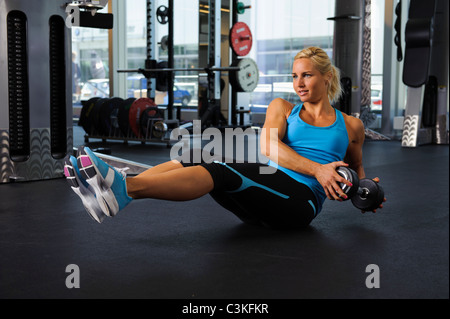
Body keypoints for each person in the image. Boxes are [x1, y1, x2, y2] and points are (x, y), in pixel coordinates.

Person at [64, 46, 385, 229]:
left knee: (219, 169)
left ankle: (125, 190)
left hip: (300, 204)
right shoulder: (283, 108)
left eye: (307, 75)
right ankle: (112, 187)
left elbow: (356, 169)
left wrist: (365, 192)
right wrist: (318, 168)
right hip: (268, 186)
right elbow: (268, 148)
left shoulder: (351, 126)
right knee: (197, 154)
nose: (299, 83)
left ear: (326, 77)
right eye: (294, 76)